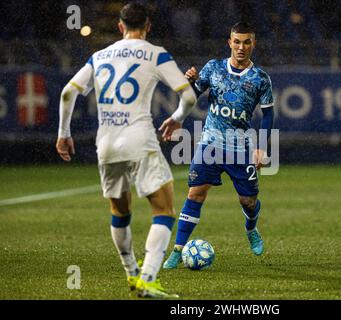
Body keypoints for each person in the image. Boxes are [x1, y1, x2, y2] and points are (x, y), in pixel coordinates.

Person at [56, 2, 197, 298]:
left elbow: (68, 92)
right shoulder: (155, 53)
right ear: (148, 26)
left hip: (106, 142)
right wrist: (177, 119)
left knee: (120, 211)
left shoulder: (99, 56)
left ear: (120, 27)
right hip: (139, 139)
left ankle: (132, 273)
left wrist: (63, 133)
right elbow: (188, 95)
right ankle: (147, 278)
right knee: (165, 210)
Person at [162, 22, 275, 269]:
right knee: (195, 193)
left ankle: (251, 228)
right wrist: (188, 82)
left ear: (253, 44)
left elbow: (267, 115)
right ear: (229, 42)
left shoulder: (260, 78)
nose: (241, 47)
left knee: (248, 201)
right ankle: (178, 250)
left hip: (241, 148)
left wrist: (261, 147)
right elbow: (191, 95)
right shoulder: (213, 68)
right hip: (210, 144)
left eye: (246, 42)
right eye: (237, 41)